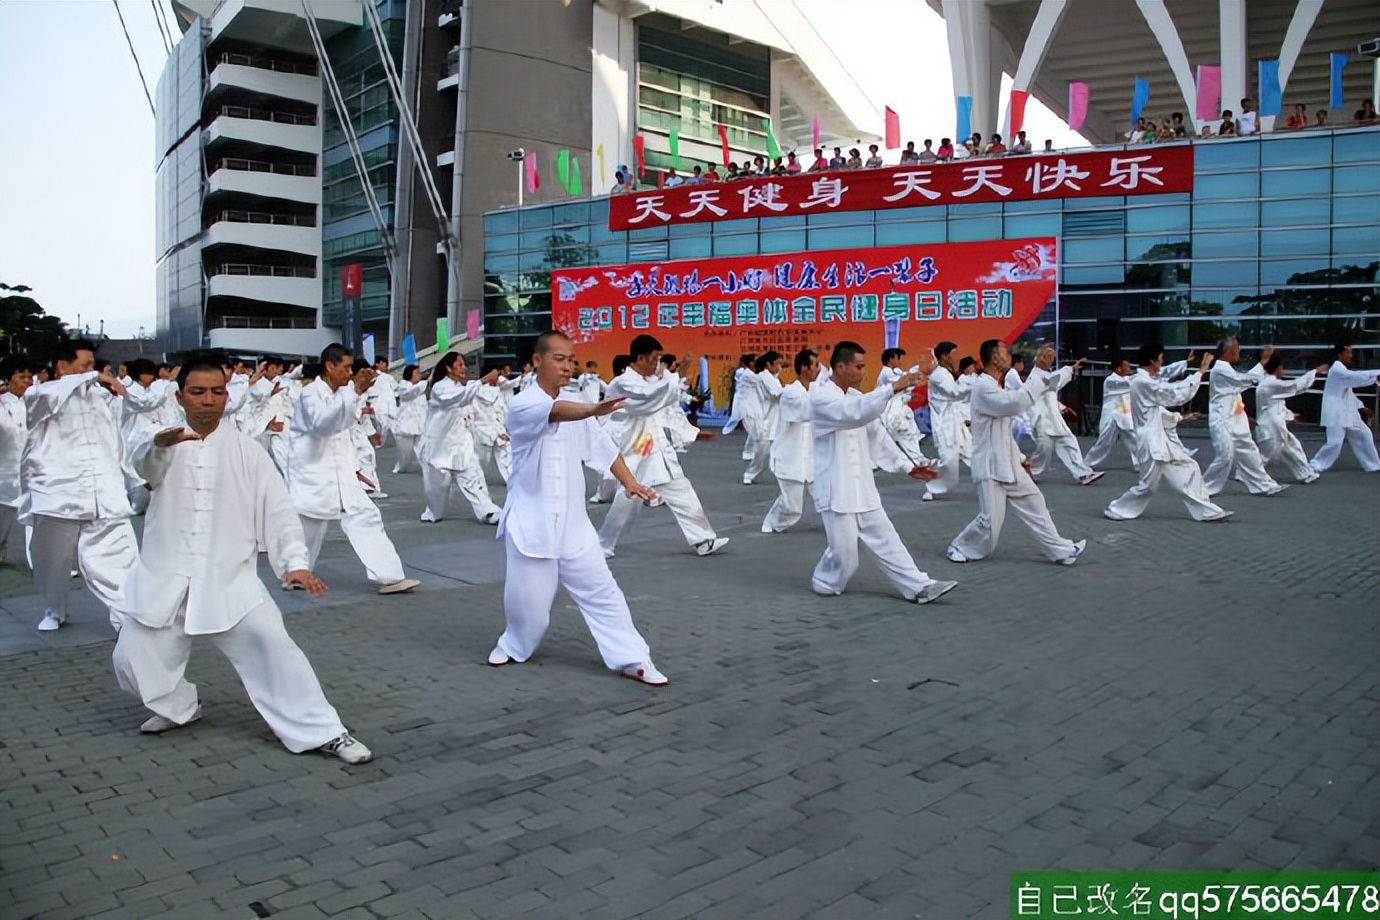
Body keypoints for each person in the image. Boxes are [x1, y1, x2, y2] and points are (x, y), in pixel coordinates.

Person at [110, 358, 371, 763]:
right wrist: (159, 445)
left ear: (227, 396)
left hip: (228, 580)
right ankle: (179, 709)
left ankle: (325, 732)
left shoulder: (248, 452)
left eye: (217, 392)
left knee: (274, 648)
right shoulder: (161, 442)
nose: (208, 401)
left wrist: (294, 564)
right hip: (166, 578)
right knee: (132, 656)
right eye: (198, 392)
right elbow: (145, 468)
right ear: (180, 396)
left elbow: (278, 509)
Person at [487, 331, 667, 685]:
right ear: (537, 361)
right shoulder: (524, 404)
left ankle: (632, 658)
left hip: (574, 525)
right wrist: (593, 408)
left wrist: (630, 482)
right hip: (532, 523)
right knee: (531, 611)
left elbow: (603, 447)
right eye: (559, 359)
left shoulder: (576, 404)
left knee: (603, 592)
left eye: (571, 359)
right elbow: (556, 412)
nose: (568, 366)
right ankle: (513, 643)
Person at [809, 341, 956, 604]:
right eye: (859, 366)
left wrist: (908, 465)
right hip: (836, 488)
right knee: (845, 555)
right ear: (840, 366)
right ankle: (825, 580)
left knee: (888, 539)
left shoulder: (856, 398)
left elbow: (877, 435)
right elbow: (853, 414)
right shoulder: (821, 398)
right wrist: (892, 388)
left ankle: (919, 586)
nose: (863, 371)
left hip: (862, 487)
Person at [21, 339, 141, 632]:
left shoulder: (99, 399)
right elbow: (50, 398)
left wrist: (133, 479)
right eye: (85, 365)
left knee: (120, 558)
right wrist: (94, 376)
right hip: (58, 494)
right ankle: (54, 609)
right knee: (53, 561)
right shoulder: (40, 394)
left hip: (104, 492)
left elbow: (115, 443)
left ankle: (128, 615)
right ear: (62, 366)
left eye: (92, 366)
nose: (93, 371)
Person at [286, 344, 419, 594]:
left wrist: (355, 468)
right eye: (346, 367)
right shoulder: (310, 394)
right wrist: (356, 390)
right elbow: (324, 425)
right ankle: (295, 573)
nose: (349, 373)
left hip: (341, 472)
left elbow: (345, 431)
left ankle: (390, 577)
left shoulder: (346, 392)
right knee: (309, 527)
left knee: (366, 516)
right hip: (313, 473)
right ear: (330, 366)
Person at [947, 340, 1085, 565]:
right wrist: (1039, 369)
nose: (1010, 355)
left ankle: (1060, 549)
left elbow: (1005, 426)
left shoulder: (996, 385)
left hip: (1008, 464)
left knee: (1035, 502)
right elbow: (1016, 403)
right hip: (990, 466)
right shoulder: (983, 387)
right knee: (990, 522)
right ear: (995, 358)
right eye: (1005, 351)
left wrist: (1021, 459)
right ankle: (960, 546)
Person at [598, 335, 728, 558]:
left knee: (681, 489)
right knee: (627, 501)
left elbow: (665, 410)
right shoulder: (623, 383)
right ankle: (602, 544)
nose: (658, 364)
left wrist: (694, 433)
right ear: (640, 358)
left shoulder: (651, 383)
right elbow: (649, 402)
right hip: (634, 450)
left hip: (655, 450)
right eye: (655, 358)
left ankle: (703, 539)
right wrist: (674, 377)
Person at [1104, 345, 1231, 522]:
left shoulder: (1144, 381)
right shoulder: (1142, 383)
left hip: (1159, 441)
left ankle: (1208, 511)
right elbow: (1173, 394)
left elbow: (1157, 410)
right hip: (1149, 443)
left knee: (1189, 466)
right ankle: (1117, 509)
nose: (1162, 362)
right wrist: (1200, 372)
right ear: (1152, 361)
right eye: (1161, 358)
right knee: (1148, 487)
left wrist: (1181, 417)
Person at [418, 352, 503, 523]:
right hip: (439, 448)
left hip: (462, 445)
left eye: (464, 364)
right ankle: (433, 512)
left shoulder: (464, 388)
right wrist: (482, 381)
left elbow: (479, 407)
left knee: (473, 476)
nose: (464, 367)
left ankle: (488, 511)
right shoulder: (440, 388)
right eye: (459, 364)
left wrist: (498, 430)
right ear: (448, 368)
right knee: (438, 489)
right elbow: (457, 399)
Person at [1201, 338, 1283, 496]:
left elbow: (1238, 389)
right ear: (1230, 351)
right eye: (1237, 349)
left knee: (1249, 451)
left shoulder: (1227, 369)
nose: (1239, 352)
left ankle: (1264, 485)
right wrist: (1263, 362)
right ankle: (1203, 488)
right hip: (1221, 421)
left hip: (1234, 419)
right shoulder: (1220, 369)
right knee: (1225, 455)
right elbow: (1242, 381)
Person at [1026, 345, 1103, 484]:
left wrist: (1061, 407)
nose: (1050, 360)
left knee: (1070, 443)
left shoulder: (1046, 376)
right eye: (1048, 357)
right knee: (1044, 452)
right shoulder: (1035, 377)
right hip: (1043, 421)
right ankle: (1029, 472)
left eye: (1052, 358)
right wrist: (1070, 369)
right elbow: (1052, 383)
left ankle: (1083, 474)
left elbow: (1052, 388)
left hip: (1055, 420)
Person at [762, 348, 817, 534]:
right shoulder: (791, 393)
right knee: (792, 507)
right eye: (815, 365)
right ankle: (771, 524)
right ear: (804, 367)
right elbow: (806, 411)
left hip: (814, 458)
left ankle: (845, 528)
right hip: (790, 456)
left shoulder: (817, 390)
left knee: (830, 497)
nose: (818, 370)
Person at [1255, 355, 1328, 484]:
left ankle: (1305, 473)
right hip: (1270, 425)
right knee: (1270, 453)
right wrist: (1315, 372)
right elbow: (1294, 386)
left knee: (1291, 447)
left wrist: (1290, 415)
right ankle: (1248, 472)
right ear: (1277, 368)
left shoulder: (1268, 383)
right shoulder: (1270, 383)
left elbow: (1277, 404)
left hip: (1274, 422)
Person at [1309, 343, 1380, 473]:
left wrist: (1361, 406)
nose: (1351, 356)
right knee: (1335, 443)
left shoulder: (1342, 371)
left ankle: (1373, 465)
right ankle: (1315, 465)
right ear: (1339, 354)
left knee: (1364, 434)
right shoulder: (1337, 369)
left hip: (1349, 412)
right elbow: (1355, 377)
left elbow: (1351, 388)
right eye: (1348, 352)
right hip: (1335, 412)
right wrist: (1376, 373)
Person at [921, 342, 973, 502]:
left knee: (976, 458)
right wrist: (977, 384)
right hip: (945, 427)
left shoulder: (948, 373)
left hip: (958, 425)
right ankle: (932, 484)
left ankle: (999, 486)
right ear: (944, 357)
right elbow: (954, 392)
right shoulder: (939, 375)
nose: (957, 357)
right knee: (949, 464)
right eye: (954, 354)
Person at [0, 355, 33, 565]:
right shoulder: (1, 404)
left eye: (29, 377)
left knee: (37, 520)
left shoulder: (36, 403)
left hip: (31, 473)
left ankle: (42, 564)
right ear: (9, 379)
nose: (27, 381)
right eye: (22, 377)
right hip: (4, 473)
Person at [1083, 358, 1136, 469]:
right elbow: (1128, 384)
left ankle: (1140, 464)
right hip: (1111, 415)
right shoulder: (1110, 381)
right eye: (1126, 366)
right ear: (1118, 368)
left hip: (1124, 415)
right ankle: (1087, 463)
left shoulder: (1127, 379)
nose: (1129, 368)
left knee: (1134, 439)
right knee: (1104, 442)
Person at [875, 348, 924, 465]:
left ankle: (916, 460)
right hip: (889, 412)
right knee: (903, 436)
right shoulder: (886, 374)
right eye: (899, 358)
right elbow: (902, 384)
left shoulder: (895, 372)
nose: (901, 361)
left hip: (897, 410)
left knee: (909, 434)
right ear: (891, 359)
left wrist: (909, 397)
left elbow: (903, 388)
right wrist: (918, 370)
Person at [743, 351, 784, 484]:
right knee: (763, 452)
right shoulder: (764, 376)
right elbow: (776, 393)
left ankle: (782, 473)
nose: (779, 367)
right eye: (777, 364)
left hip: (774, 417)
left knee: (777, 448)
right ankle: (749, 474)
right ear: (769, 364)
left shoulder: (772, 377)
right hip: (765, 419)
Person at [390, 364, 426, 473]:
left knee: (422, 449)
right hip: (406, 424)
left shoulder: (420, 389)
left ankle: (426, 468)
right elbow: (411, 393)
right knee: (405, 452)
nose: (419, 376)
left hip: (420, 423)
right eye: (417, 373)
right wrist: (427, 381)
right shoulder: (403, 386)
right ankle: (401, 467)